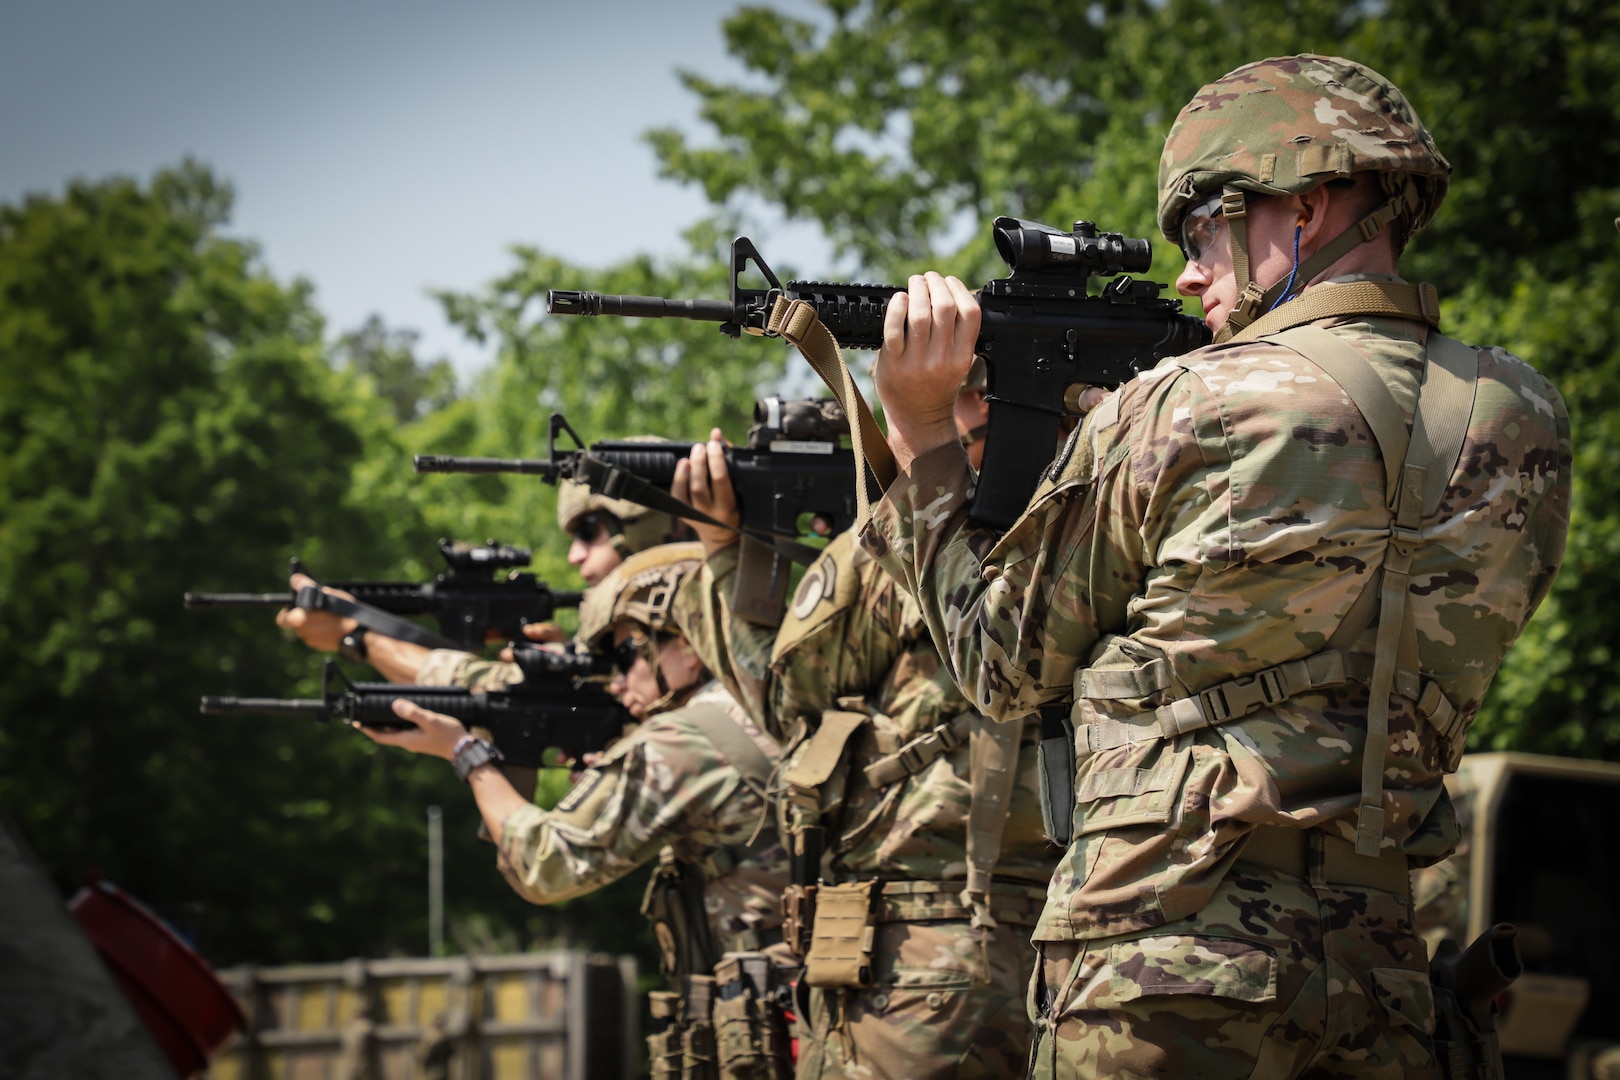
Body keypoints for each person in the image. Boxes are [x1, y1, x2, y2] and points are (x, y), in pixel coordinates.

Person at [862, 54, 1571, 1078]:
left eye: (1202, 229)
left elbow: (995, 662)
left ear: (1308, 204)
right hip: (1381, 983)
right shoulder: (1524, 416)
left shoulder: (1184, 405)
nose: (1189, 272)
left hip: (1158, 967)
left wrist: (920, 433)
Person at [675, 413, 1059, 1079]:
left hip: (923, 952)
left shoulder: (924, 530)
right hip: (1072, 935)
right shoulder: (1103, 501)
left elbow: (783, 693)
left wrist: (719, 544)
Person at [354, 543, 791, 1078]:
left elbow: (546, 865)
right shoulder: (765, 699)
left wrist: (466, 754)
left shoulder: (684, 740)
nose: (617, 678)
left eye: (628, 651)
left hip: (775, 1016)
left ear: (688, 644)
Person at [275, 478, 687, 691]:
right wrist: (566, 668)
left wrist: (356, 634)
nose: (574, 556)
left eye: (589, 531)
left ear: (641, 525)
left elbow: (485, 690)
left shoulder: (690, 641)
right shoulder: (653, 649)